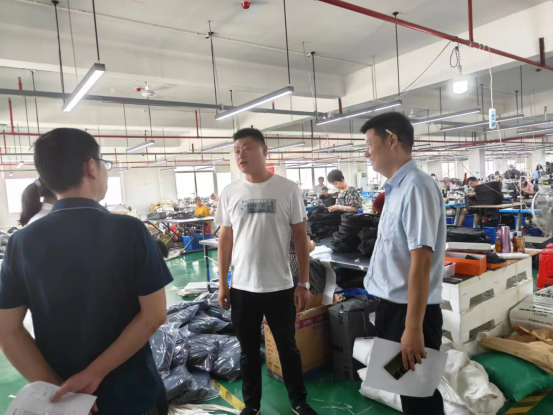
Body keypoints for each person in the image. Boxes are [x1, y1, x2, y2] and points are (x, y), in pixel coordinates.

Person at [0, 128, 173, 415]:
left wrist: (60, 391)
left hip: (64, 404)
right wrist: (94, 373)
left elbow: (8, 331)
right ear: (91, 167)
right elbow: (153, 316)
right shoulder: (129, 230)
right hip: (131, 394)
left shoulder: (21, 242)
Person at [216, 128, 317, 416]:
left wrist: (304, 283)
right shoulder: (230, 192)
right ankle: (252, 405)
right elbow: (225, 240)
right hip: (242, 287)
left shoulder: (287, 188)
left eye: (247, 148)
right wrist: (223, 283)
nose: (241, 155)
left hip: (279, 286)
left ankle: (298, 401)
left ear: (264, 151)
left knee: (287, 347)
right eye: (236, 150)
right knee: (248, 351)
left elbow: (300, 238)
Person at [362, 112, 445, 415]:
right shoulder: (396, 189)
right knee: (409, 391)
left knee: (419, 395)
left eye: (370, 144)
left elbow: (421, 263)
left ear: (392, 141)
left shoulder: (416, 188)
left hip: (409, 314)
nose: (367, 152)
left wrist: (412, 328)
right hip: (394, 309)